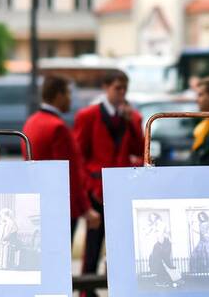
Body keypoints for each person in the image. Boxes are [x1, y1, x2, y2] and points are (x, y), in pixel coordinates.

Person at [75, 70, 144, 276]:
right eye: (117, 88)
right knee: (93, 241)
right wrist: (87, 184)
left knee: (120, 241)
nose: (122, 93)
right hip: (96, 186)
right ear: (106, 88)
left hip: (121, 186)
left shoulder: (133, 117)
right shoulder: (88, 115)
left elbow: (139, 149)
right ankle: (87, 286)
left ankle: (116, 282)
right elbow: (80, 154)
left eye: (125, 89)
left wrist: (131, 123)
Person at [22, 75, 100, 234]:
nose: (70, 99)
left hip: (40, 201)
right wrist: (86, 209)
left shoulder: (31, 122)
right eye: (68, 93)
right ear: (59, 95)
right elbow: (70, 173)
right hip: (62, 206)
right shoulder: (58, 127)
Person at [145, 214, 179, 287]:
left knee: (165, 262)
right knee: (157, 261)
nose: (152, 218)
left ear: (156, 217)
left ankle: (173, 279)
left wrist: (168, 241)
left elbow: (163, 234)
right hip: (159, 244)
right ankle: (163, 280)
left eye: (153, 217)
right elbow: (148, 233)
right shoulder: (154, 225)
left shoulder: (162, 224)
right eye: (150, 217)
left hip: (164, 243)